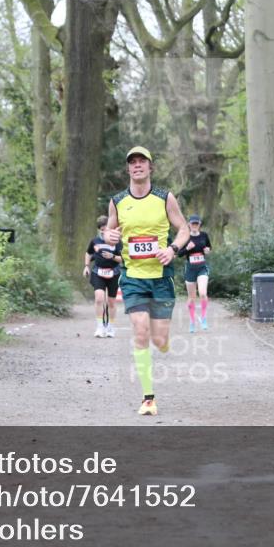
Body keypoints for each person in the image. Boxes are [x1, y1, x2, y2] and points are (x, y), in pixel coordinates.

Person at [103, 146, 190, 416]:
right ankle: (148, 398)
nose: (137, 166)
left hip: (161, 278)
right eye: (133, 162)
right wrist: (109, 236)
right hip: (133, 278)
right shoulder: (117, 201)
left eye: (142, 161)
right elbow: (109, 230)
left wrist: (172, 249)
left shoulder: (165, 198)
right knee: (140, 331)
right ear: (128, 169)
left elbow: (184, 229)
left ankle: (162, 341)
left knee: (159, 339)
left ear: (150, 167)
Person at [83, 215, 122, 338]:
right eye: (101, 229)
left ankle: (110, 327)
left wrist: (112, 257)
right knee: (99, 298)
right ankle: (100, 327)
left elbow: (123, 259)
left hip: (113, 272)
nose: (104, 231)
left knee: (111, 302)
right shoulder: (94, 241)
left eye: (106, 229)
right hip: (98, 272)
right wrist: (86, 266)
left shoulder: (118, 243)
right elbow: (88, 253)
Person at [178, 215, 212, 332]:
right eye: (193, 224)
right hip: (190, 269)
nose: (194, 226)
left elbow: (208, 248)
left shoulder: (204, 235)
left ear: (199, 224)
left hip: (202, 267)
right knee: (191, 297)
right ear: (189, 224)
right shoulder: (185, 237)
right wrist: (187, 248)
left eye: (196, 224)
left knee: (202, 293)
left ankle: (203, 317)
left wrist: (207, 251)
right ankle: (192, 321)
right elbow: (179, 254)